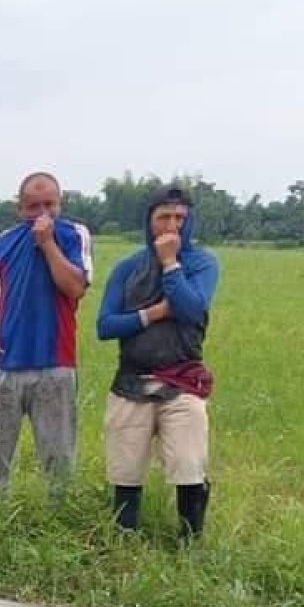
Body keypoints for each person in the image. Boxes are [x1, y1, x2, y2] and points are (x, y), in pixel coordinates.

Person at [96, 185, 218, 539]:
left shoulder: (203, 263)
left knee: (189, 465)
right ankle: (124, 542)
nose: (172, 226)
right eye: (164, 217)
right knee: (125, 469)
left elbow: (193, 309)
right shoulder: (127, 267)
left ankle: (189, 544)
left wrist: (169, 263)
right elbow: (105, 326)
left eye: (180, 218)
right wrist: (153, 313)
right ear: (149, 222)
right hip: (131, 380)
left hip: (182, 381)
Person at [0, 172, 93, 497]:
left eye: (49, 205)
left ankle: (58, 521)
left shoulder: (72, 236)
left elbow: (75, 288)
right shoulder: (4, 242)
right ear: (20, 209)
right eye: (33, 206)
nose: (41, 213)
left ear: (60, 204)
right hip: (4, 365)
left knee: (58, 457)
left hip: (55, 364)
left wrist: (47, 243)